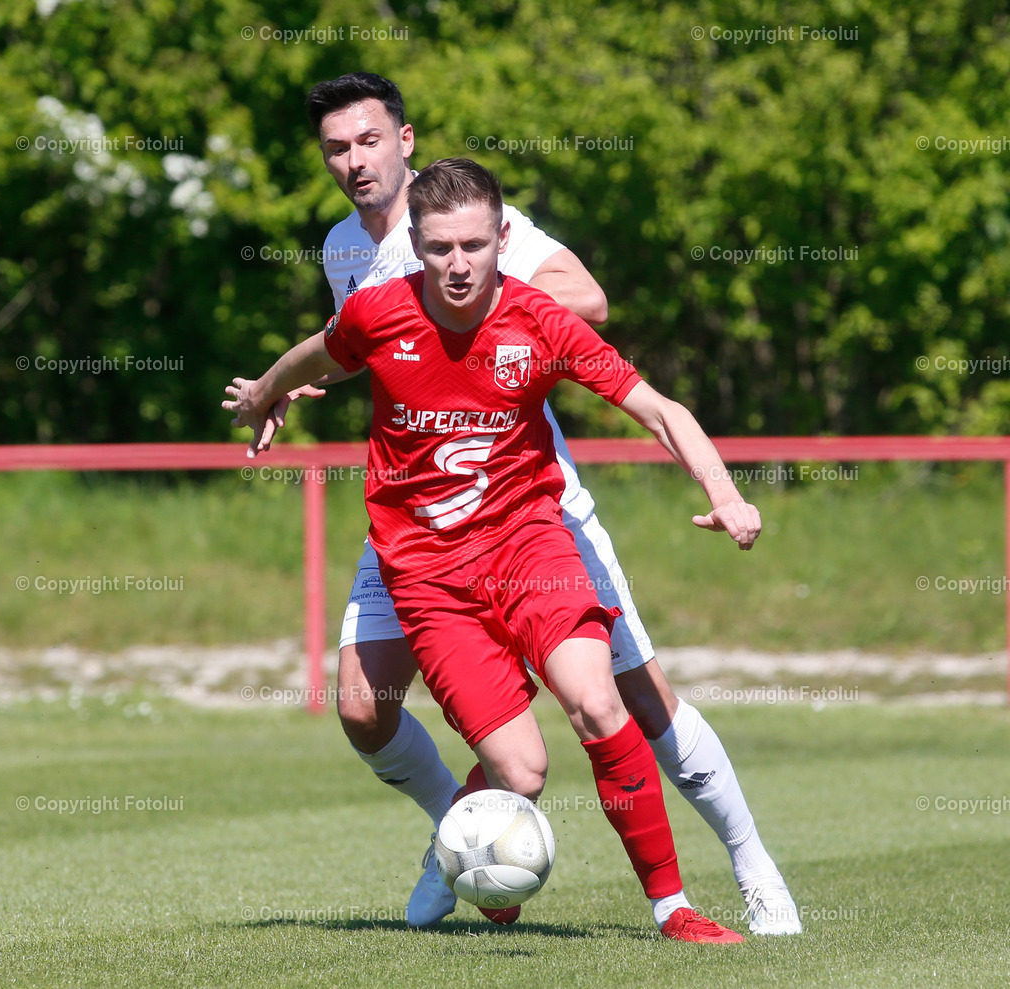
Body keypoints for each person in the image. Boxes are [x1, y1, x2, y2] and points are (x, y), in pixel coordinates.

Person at [260, 72, 800, 936]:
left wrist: (491, 305)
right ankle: (468, 832)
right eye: (336, 148)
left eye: (368, 140)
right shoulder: (346, 256)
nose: (354, 160)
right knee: (366, 704)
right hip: (419, 530)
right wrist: (276, 389)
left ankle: (747, 866)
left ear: (404, 141)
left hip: (532, 515)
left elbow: (593, 306)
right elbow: (342, 347)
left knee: (631, 702)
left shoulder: (476, 229)